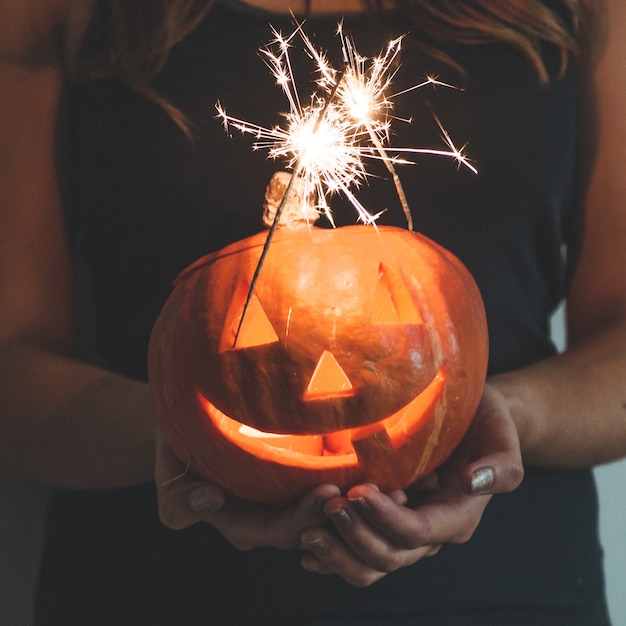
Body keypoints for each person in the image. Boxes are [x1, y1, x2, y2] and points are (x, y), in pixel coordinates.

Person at [0, 0, 624, 623]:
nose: (330, 383)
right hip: (150, 591)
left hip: (511, 591)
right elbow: (13, 363)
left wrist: (503, 415)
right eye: (257, 328)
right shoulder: (57, 12)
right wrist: (185, 440)